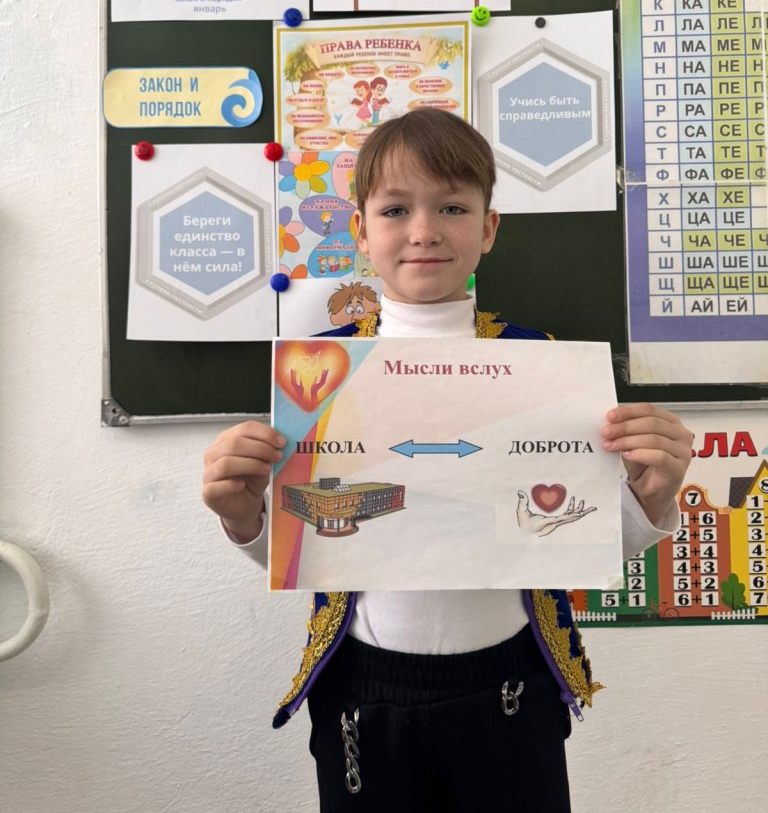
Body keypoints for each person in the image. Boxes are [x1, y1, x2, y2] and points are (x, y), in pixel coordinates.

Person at [202, 110, 694, 812]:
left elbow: (577, 534)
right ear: (360, 230)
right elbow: (309, 544)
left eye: (453, 208)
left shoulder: (544, 365)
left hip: (511, 683)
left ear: (488, 229)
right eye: (395, 209)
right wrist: (245, 519)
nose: (424, 230)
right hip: (363, 687)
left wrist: (652, 497)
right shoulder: (321, 370)